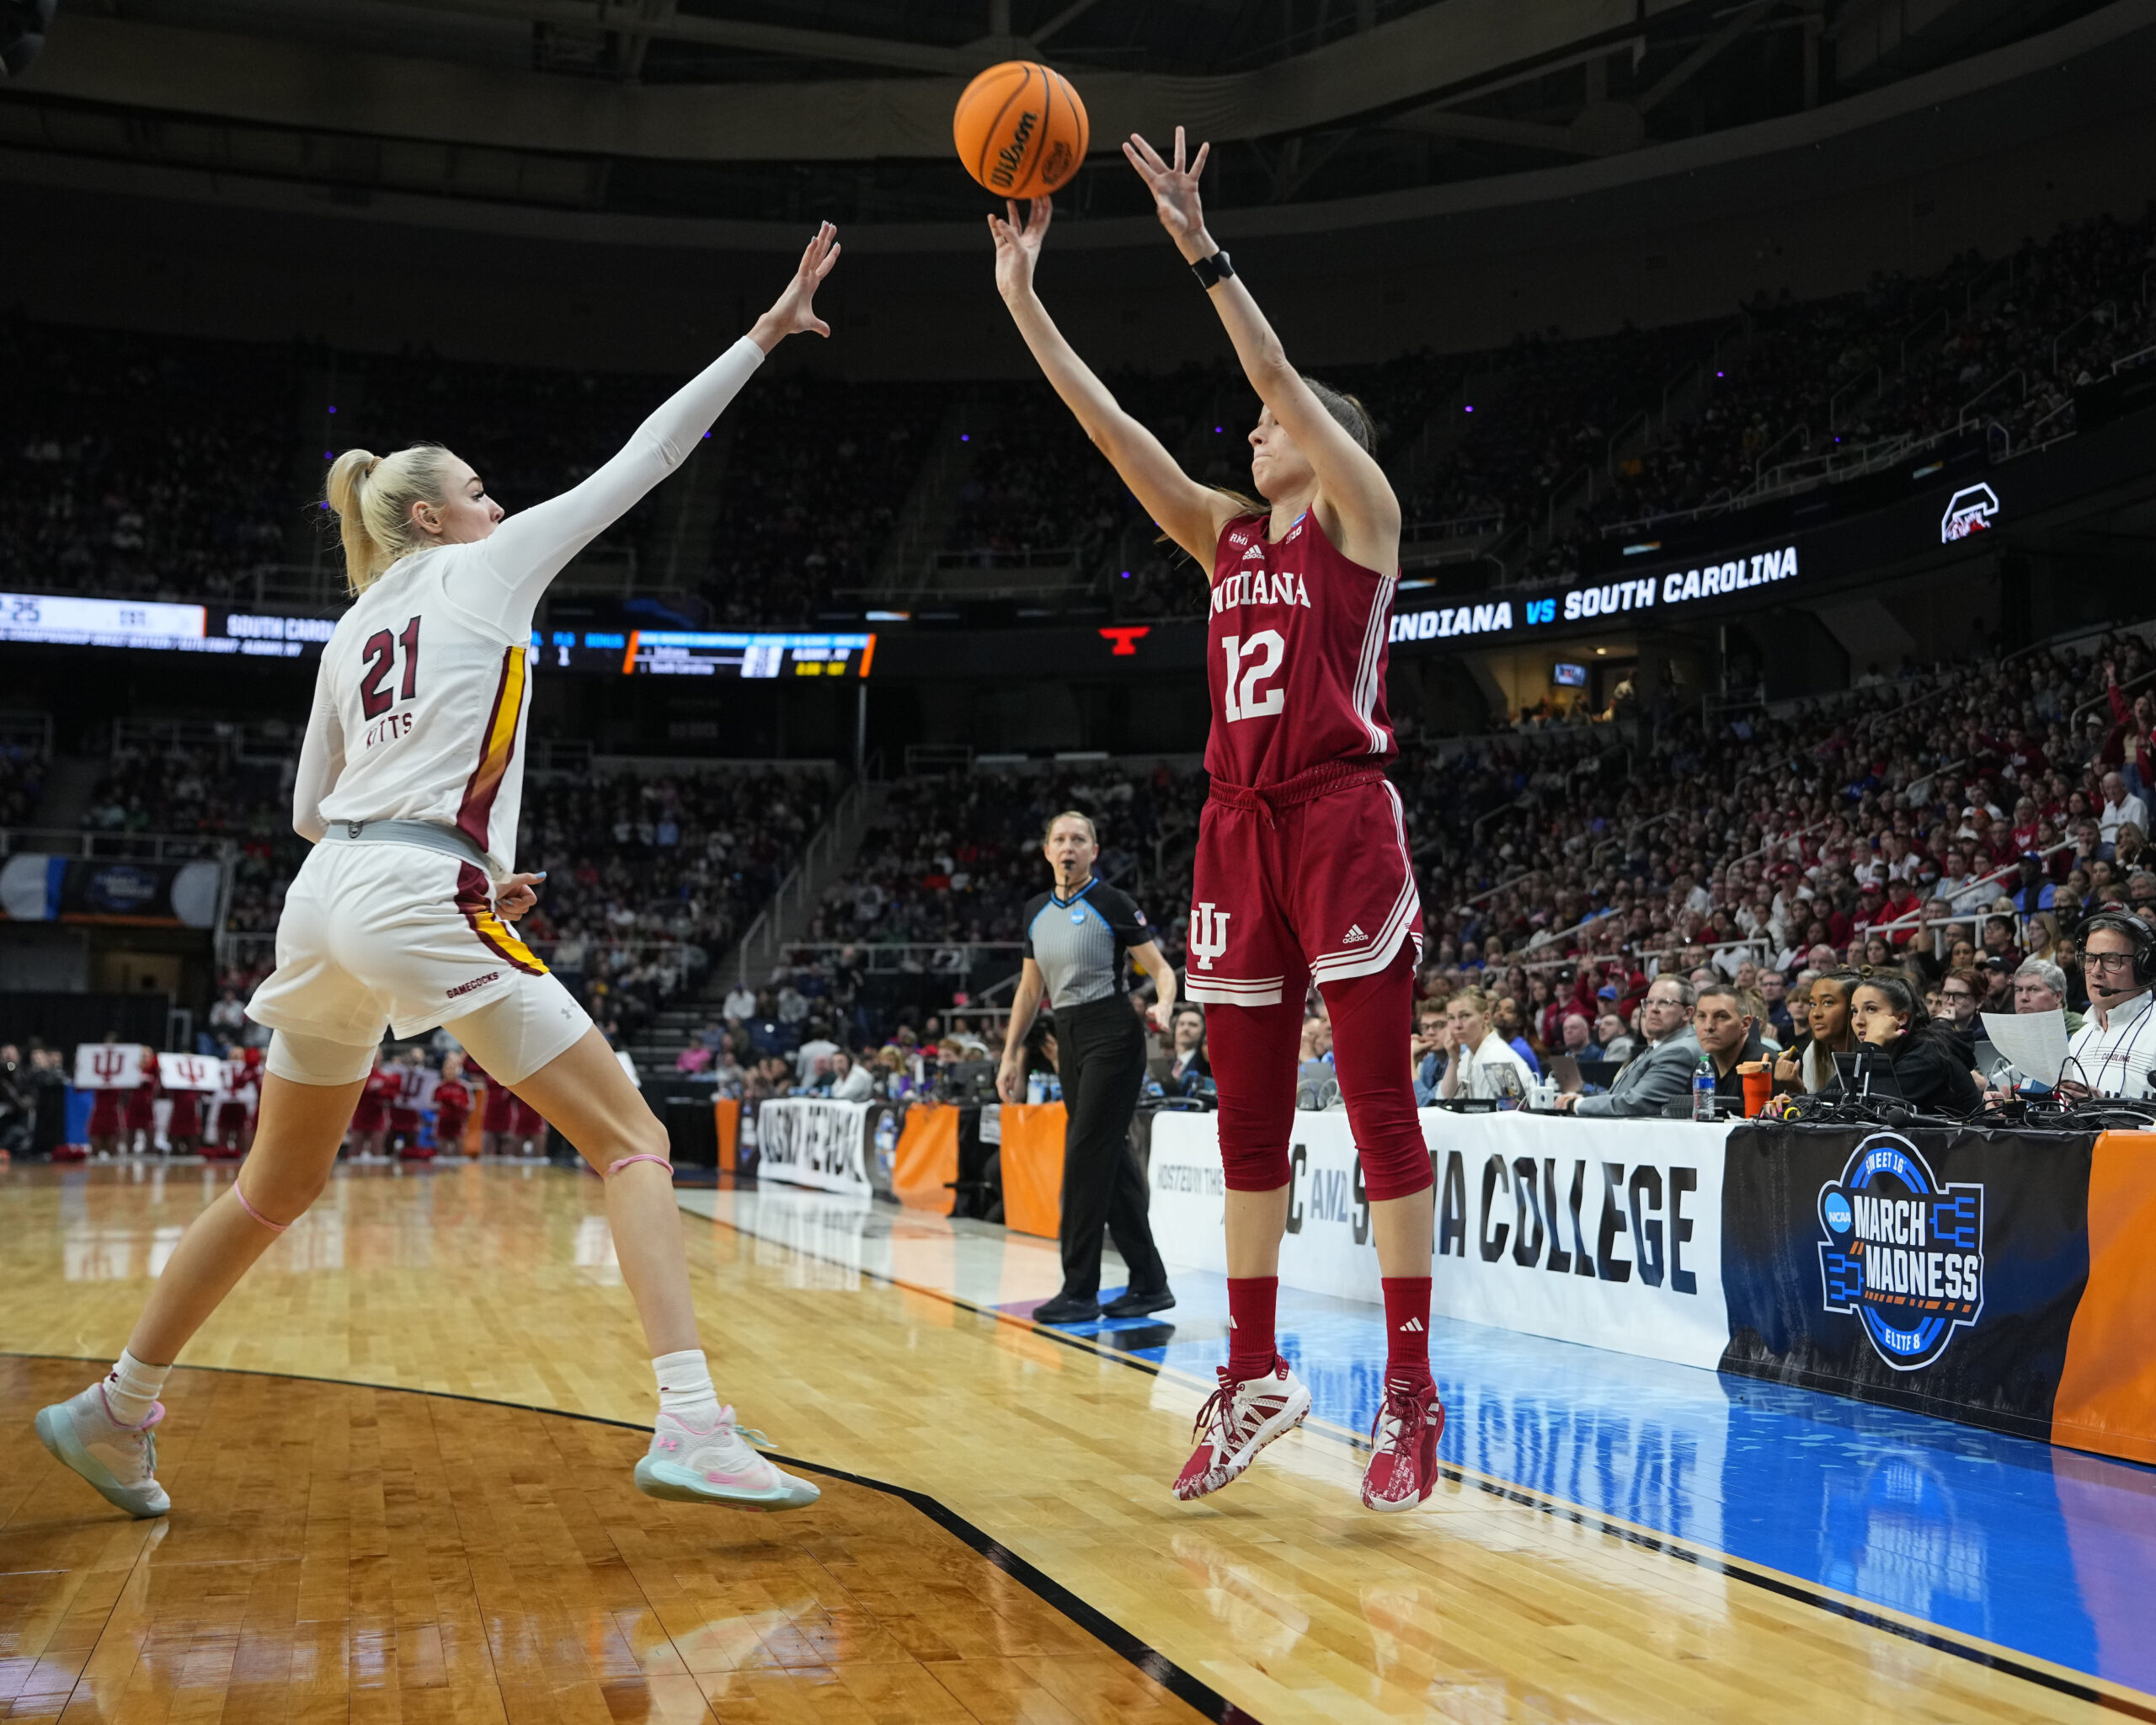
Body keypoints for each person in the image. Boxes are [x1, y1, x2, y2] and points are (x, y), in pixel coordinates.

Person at [33, 228, 842, 1522]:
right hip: (415, 894)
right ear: (430, 517)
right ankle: (694, 1423)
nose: (501, 504)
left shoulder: (353, 625)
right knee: (633, 1140)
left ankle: (116, 1407)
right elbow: (650, 459)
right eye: (480, 489)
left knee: (275, 1186)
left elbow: (309, 810)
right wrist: (763, 332)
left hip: (330, 896)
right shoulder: (488, 568)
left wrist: (462, 860)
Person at [991, 132, 1441, 1511]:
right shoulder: (1224, 536)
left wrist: (1199, 243)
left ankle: (1414, 1393)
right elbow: (1107, 426)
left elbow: (1271, 376)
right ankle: (1251, 1371)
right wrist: (1022, 298)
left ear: (1323, 441)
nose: (1251, 431)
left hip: (1342, 814)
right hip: (1236, 828)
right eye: (1256, 427)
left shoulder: (1360, 519)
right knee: (1245, 1120)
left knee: (1374, 1105)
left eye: (1274, 422)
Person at [997, 809, 1177, 1326]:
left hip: (1115, 1033)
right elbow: (1031, 990)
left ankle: (1079, 1290)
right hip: (1069, 1035)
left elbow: (1162, 972)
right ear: (1047, 850)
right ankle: (1149, 1283)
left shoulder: (1111, 902)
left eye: (1079, 839)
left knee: (1084, 1157)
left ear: (1093, 851)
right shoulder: (1035, 910)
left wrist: (1163, 1006)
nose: (1069, 846)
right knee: (1109, 1161)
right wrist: (1012, 1054)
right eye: (1060, 838)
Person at [1827, 974, 1981, 1114]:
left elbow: (1870, 1111)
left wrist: (1871, 1045)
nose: (1859, 1021)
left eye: (1871, 1009)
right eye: (1854, 1011)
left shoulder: (1926, 1056)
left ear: (1901, 1018)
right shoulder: (1885, 1048)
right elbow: (1826, 1100)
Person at [1554, 978, 1698, 1115]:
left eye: (1664, 1003)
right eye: (1648, 1002)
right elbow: (1617, 1095)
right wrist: (1583, 1097)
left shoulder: (1679, 1051)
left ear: (1687, 1013)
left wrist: (1577, 1104)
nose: (1653, 1009)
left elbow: (1637, 1102)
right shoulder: (1663, 1046)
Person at [2061, 912, 2156, 1099]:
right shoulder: (2080, 1039)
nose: (2096, 971)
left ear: (2143, 967)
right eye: (2089, 959)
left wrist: (2102, 1112)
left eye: (2111, 961)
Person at [1435, 988, 1535, 1101]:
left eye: (1465, 1016)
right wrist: (1453, 1061)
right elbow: (1445, 1098)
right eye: (1451, 1018)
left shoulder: (1498, 1058)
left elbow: (1507, 1114)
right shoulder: (1469, 1054)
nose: (1457, 1025)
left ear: (1486, 1018)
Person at [1774, 973, 1857, 1095]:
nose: (1815, 1014)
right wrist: (1797, 1092)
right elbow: (1816, 1110)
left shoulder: (1874, 1052)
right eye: (1813, 1004)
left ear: (1854, 1008)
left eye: (1828, 1003)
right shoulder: (1813, 1051)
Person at [1685, 984, 1763, 1114]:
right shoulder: (1704, 1068)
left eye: (1721, 1016)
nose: (1708, 1026)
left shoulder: (1760, 1067)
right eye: (1702, 1016)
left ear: (1745, 1024)